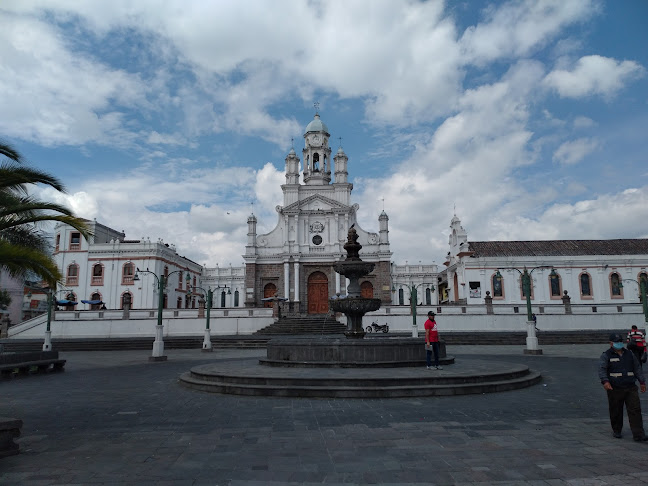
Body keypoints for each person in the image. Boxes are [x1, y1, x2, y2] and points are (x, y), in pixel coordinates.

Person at [598, 333, 647, 441]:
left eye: (620, 341)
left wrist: (642, 382)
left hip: (630, 387)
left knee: (635, 410)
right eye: (616, 342)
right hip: (615, 388)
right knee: (616, 410)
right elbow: (602, 369)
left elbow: (637, 368)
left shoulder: (629, 354)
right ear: (611, 343)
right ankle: (617, 430)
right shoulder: (606, 355)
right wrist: (605, 381)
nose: (619, 343)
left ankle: (639, 434)